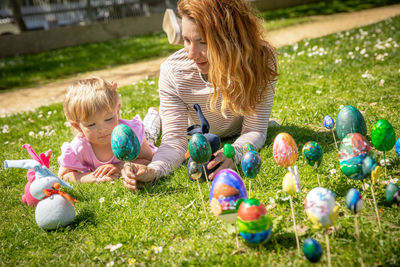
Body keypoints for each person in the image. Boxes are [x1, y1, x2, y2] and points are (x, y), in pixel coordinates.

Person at [122, 0, 278, 191]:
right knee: (153, 126)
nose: (191, 54)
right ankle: (154, 115)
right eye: (187, 40)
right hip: (193, 132)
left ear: (232, 38)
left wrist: (235, 152)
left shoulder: (261, 60)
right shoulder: (174, 72)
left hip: (232, 131)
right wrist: (153, 170)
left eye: (203, 42)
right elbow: (175, 142)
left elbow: (254, 130)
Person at [58, 76, 158, 183]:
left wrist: (120, 166)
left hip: (143, 139)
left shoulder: (130, 132)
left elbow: (148, 159)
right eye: (91, 124)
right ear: (77, 126)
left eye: (109, 119)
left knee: (150, 131)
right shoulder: (79, 147)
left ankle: (154, 113)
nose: (102, 129)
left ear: (117, 111)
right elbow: (64, 175)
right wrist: (91, 177)